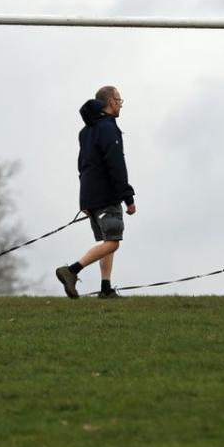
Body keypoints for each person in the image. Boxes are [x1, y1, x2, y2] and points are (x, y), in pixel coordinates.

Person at [56, 86, 136, 299]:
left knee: (107, 241)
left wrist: (85, 200)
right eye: (119, 99)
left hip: (89, 196)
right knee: (114, 242)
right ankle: (71, 271)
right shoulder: (109, 129)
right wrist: (128, 196)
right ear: (110, 101)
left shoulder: (86, 131)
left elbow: (84, 165)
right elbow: (115, 163)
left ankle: (106, 288)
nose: (120, 104)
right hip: (106, 194)